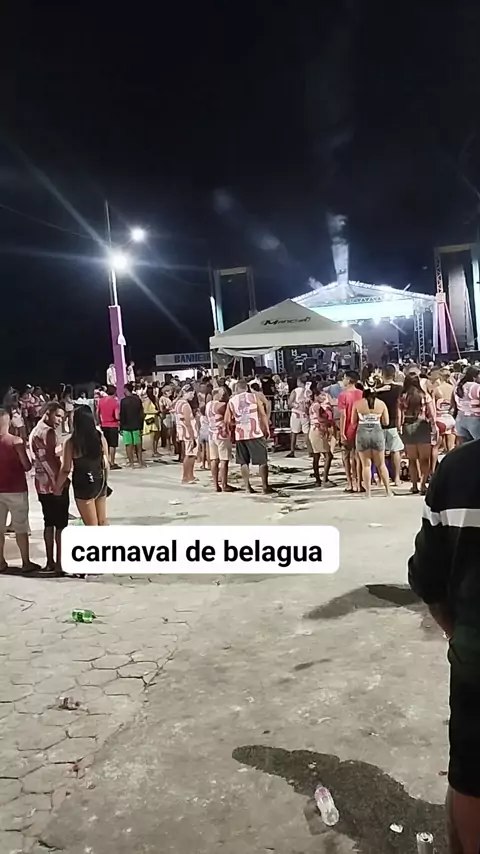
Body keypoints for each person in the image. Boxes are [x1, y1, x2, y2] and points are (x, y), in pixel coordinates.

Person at [408, 442, 480, 854]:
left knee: (470, 773)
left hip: (475, 655)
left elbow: (428, 578)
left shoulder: (458, 469)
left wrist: (459, 634)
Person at [30, 401, 69, 573]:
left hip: (41, 485)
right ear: (48, 413)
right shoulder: (50, 433)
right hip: (55, 484)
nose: (60, 420)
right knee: (60, 526)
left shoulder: (34, 431)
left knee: (48, 523)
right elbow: (57, 460)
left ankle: (50, 561)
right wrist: (59, 483)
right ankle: (60, 564)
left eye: (62, 417)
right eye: (58, 416)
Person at [0, 409, 40, 573]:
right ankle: (26, 562)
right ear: (9, 422)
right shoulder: (15, 441)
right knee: (20, 528)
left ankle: (1, 562)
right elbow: (26, 466)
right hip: (16, 489)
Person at [56, 405, 109, 525]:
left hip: (83, 483)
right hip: (99, 480)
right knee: (102, 521)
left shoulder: (71, 442)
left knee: (91, 524)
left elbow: (66, 468)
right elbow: (106, 462)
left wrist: (57, 487)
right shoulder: (99, 437)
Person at [225, 379, 271, 494]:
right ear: (247, 387)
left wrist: (237, 423)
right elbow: (262, 414)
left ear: (236, 388)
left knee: (243, 462)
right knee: (262, 461)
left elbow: (227, 420)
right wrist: (266, 428)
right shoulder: (254, 397)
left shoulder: (231, 401)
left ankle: (247, 487)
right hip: (255, 432)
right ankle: (265, 486)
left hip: (240, 434)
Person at [351, 382, 392, 498]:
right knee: (381, 464)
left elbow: (353, 421)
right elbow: (386, 422)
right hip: (377, 433)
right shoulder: (381, 404)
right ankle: (388, 491)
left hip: (362, 433)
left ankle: (368, 493)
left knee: (366, 465)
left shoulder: (357, 404)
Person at [400, 375, 437, 495]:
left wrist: (399, 428)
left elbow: (399, 415)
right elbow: (432, 414)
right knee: (424, 460)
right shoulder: (425, 396)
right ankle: (423, 485)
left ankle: (414, 485)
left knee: (412, 460)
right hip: (422, 426)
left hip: (408, 426)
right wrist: (434, 427)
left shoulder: (403, 396)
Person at [376, 364, 404, 487]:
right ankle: (397, 478)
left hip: (378, 422)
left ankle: (381, 479)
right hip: (393, 422)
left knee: (380, 451)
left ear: (382, 374)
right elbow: (400, 407)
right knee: (395, 450)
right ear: (394, 374)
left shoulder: (377, 389)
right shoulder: (399, 389)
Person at [338, 371, 362, 493]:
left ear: (348, 379)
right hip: (360, 427)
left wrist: (341, 432)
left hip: (348, 428)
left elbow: (343, 415)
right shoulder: (361, 393)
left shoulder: (343, 395)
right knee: (358, 457)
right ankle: (359, 483)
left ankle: (350, 483)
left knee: (346, 456)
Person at [206, 387, 234, 492]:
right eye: (222, 394)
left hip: (211, 433)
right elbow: (229, 417)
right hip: (221, 433)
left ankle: (215, 484)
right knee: (224, 460)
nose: (223, 396)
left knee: (214, 459)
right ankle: (224, 484)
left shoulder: (208, 405)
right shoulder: (222, 405)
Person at [308, 389, 335, 487]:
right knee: (328, 455)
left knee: (316, 456)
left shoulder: (312, 405)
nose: (323, 397)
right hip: (317, 431)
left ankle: (318, 480)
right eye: (321, 395)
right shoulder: (317, 406)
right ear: (316, 396)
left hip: (313, 430)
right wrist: (329, 422)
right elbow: (319, 418)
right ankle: (325, 479)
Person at [173, 384, 198, 484]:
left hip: (182, 431)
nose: (193, 396)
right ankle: (186, 477)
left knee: (190, 454)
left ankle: (190, 476)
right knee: (189, 455)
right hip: (188, 432)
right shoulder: (185, 405)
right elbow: (188, 422)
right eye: (192, 393)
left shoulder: (178, 403)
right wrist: (192, 436)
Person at [119, 382, 144, 467]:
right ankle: (140, 462)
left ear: (126, 390)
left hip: (126, 425)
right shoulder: (137, 399)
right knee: (138, 445)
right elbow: (141, 413)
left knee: (128, 445)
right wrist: (141, 426)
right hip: (136, 424)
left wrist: (121, 427)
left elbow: (122, 415)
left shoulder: (123, 401)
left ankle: (132, 463)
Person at [432, 367, 456, 454]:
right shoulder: (452, 388)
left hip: (440, 418)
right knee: (451, 447)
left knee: (436, 447)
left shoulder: (436, 389)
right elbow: (454, 403)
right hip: (451, 418)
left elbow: (432, 405)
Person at [454, 365, 480, 444]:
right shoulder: (476, 387)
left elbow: (453, 402)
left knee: (466, 448)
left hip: (460, 419)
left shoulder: (458, 386)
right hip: (474, 420)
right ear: (475, 376)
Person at [97, 385, 121, 469]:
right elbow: (117, 416)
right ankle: (112, 462)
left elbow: (97, 412)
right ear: (114, 392)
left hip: (104, 425)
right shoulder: (115, 402)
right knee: (113, 445)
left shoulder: (101, 401)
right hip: (113, 425)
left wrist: (99, 422)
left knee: (106, 444)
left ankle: (106, 461)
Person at [287, 377, 311, 458]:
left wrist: (295, 405)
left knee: (294, 432)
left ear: (299, 382)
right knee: (306, 433)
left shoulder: (295, 391)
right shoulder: (308, 391)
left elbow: (289, 403)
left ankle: (292, 451)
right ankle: (310, 451)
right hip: (305, 414)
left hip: (296, 414)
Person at [142, 386, 161, 458]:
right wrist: (155, 411)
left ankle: (155, 450)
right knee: (152, 436)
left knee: (157, 435)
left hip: (155, 417)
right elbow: (145, 411)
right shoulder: (147, 400)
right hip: (150, 418)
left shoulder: (154, 399)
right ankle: (153, 451)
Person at [159, 386, 175, 452]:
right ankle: (168, 447)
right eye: (170, 391)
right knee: (168, 432)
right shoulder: (162, 399)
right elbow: (162, 410)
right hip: (166, 416)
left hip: (170, 415)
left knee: (171, 432)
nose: (171, 392)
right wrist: (168, 408)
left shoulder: (167, 398)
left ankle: (170, 447)